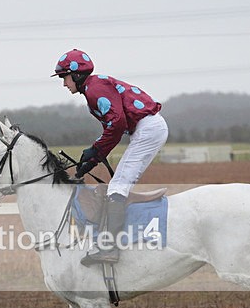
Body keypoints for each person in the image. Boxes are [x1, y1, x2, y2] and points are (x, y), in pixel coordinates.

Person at [51, 49, 168, 265]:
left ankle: (110, 248)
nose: (64, 84)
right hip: (147, 128)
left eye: (64, 77)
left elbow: (117, 125)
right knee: (117, 185)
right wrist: (92, 159)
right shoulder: (93, 89)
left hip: (148, 129)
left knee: (117, 188)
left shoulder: (95, 89)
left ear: (76, 75)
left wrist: (95, 149)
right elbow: (112, 130)